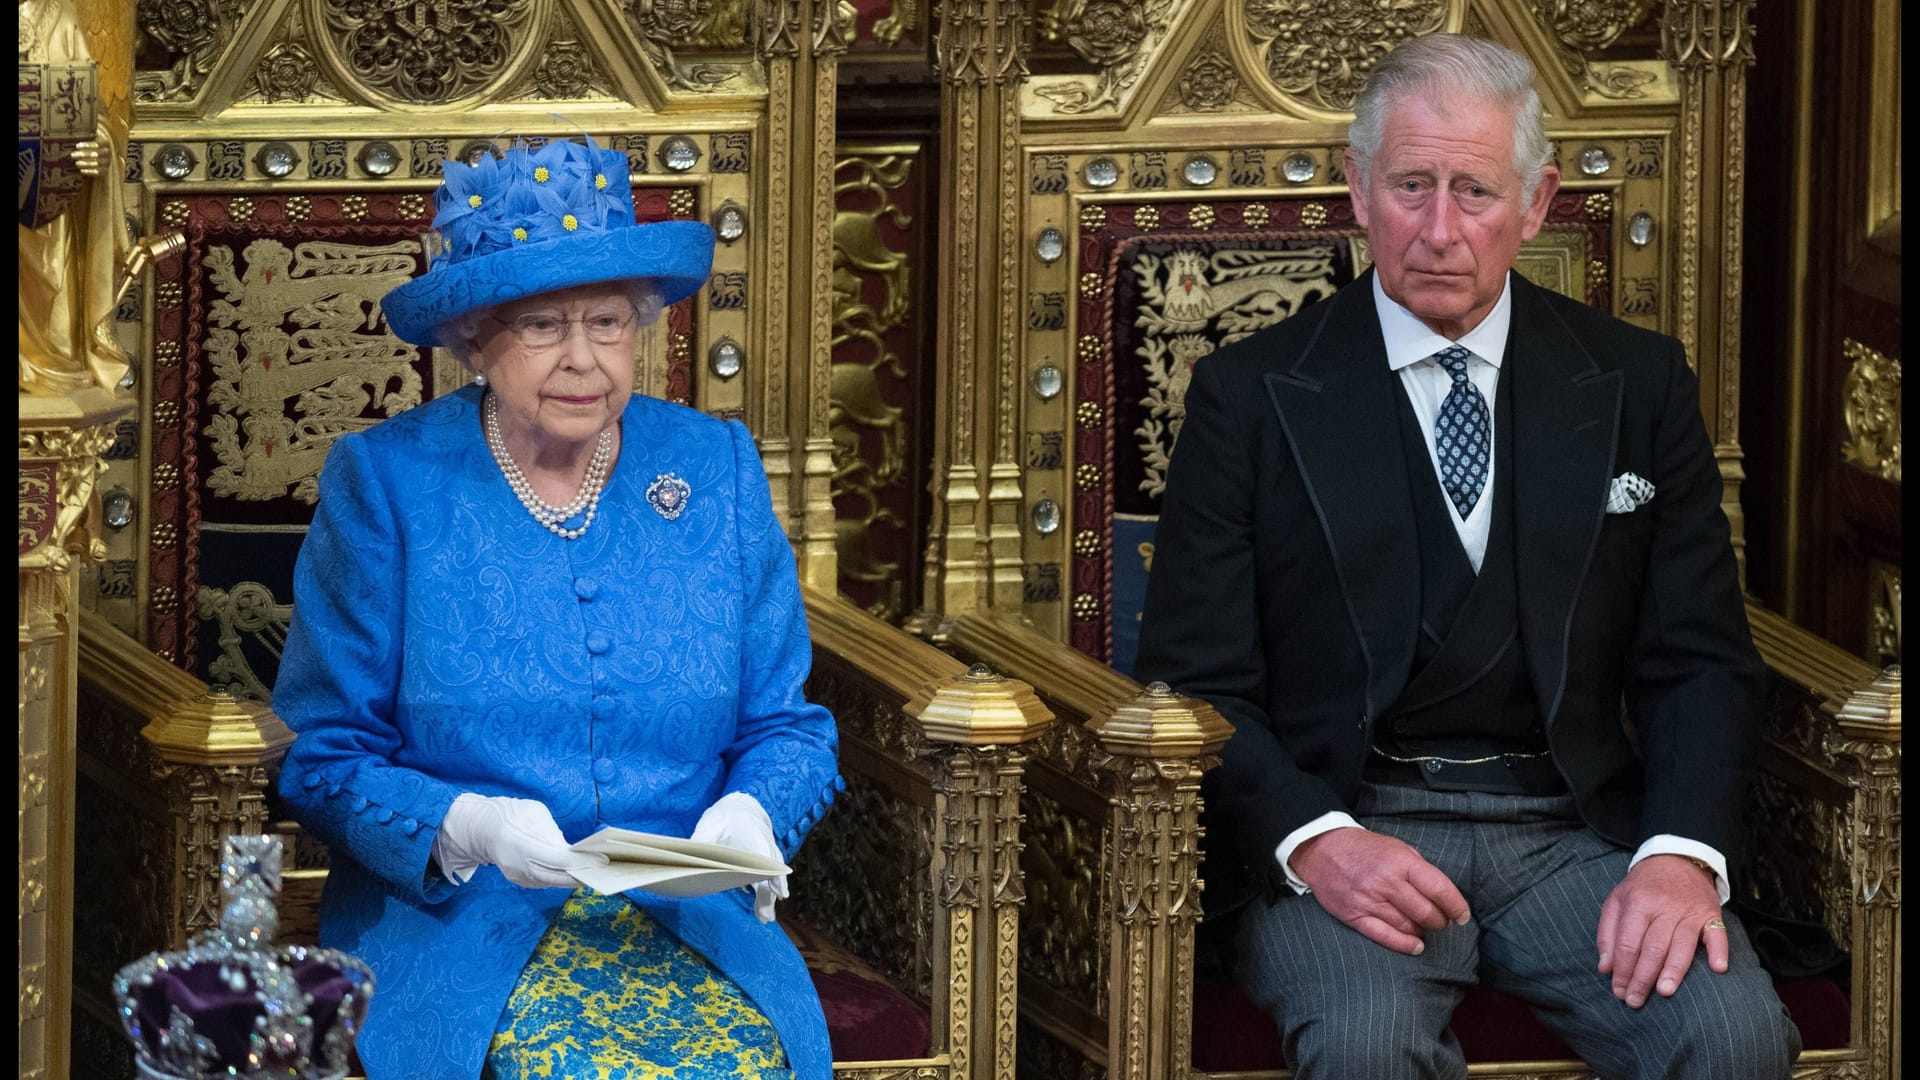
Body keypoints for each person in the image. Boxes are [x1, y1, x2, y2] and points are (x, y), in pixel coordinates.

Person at [1135, 33, 1798, 1080]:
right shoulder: (1248, 397)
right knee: (1363, 1048)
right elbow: (1193, 684)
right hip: (1357, 823)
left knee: (1732, 1038)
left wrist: (1679, 857)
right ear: (1357, 190)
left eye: (1475, 191)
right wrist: (1316, 841)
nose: (1440, 229)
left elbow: (1699, 658)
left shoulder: (1636, 384)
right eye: (1410, 185)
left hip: (1570, 830)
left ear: (1534, 205)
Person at [273, 135, 844, 1080]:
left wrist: (755, 812)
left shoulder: (716, 469)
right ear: (474, 338)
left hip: (690, 912)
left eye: (609, 323)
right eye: (542, 327)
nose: (583, 361)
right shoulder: (387, 485)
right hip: (467, 921)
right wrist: (465, 827)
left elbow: (788, 724)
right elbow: (322, 753)